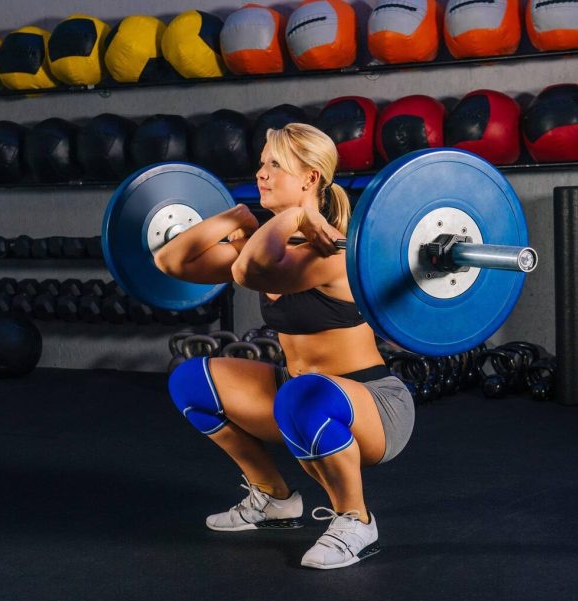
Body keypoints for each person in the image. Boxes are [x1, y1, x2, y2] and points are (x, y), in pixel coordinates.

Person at [155, 123, 415, 570]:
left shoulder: (331, 250)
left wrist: (293, 218)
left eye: (275, 164)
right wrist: (237, 216)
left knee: (302, 392)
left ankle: (356, 520)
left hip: (372, 406)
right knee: (191, 381)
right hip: (301, 395)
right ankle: (274, 499)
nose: (261, 173)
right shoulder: (268, 242)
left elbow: (249, 272)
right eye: (260, 164)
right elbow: (171, 259)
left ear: (311, 178)